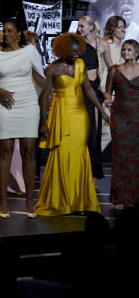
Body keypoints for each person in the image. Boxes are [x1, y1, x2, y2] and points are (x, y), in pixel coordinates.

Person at [36, 34, 109, 216]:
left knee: (78, 155)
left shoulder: (80, 65)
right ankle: (62, 202)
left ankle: (79, 201)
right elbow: (45, 97)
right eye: (74, 52)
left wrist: (101, 110)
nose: (77, 55)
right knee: (62, 155)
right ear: (63, 51)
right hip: (60, 114)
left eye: (79, 51)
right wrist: (43, 123)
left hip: (79, 115)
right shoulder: (52, 69)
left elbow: (89, 90)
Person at [0, 18, 45, 218]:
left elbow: (42, 77)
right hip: (4, 105)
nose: (6, 34)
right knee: (5, 151)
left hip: (27, 103)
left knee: (28, 151)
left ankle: (29, 201)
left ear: (19, 33)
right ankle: (2, 201)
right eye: (4, 30)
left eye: (10, 31)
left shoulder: (30, 51)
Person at [108, 39, 139, 208]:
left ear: (136, 52)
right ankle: (119, 197)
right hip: (120, 118)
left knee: (136, 157)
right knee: (120, 156)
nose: (126, 52)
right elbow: (107, 92)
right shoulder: (115, 70)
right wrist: (107, 101)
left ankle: (135, 197)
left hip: (137, 118)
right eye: (124, 49)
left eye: (129, 50)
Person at [77, 15, 104, 179]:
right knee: (83, 132)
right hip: (81, 90)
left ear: (91, 27)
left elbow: (111, 66)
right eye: (79, 26)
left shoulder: (102, 45)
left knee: (94, 133)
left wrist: (108, 90)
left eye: (82, 26)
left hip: (97, 90)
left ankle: (92, 176)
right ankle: (81, 174)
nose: (79, 29)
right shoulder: (77, 45)